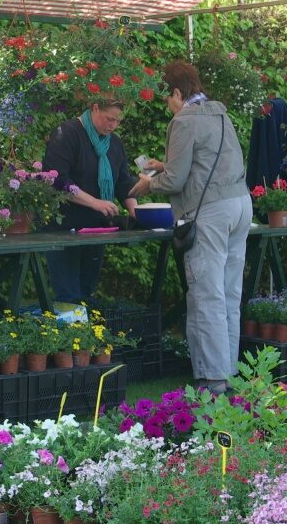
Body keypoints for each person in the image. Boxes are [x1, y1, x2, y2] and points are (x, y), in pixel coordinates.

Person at [129, 62, 250, 394]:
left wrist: (148, 183)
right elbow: (206, 163)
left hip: (209, 212)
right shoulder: (219, 115)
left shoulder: (183, 120)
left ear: (178, 93)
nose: (167, 104)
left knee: (206, 294)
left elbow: (177, 180)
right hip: (240, 207)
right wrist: (163, 165)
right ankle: (228, 374)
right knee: (228, 294)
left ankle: (211, 381)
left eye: (168, 97)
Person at [42, 99, 138, 305]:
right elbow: (57, 180)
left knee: (86, 294)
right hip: (65, 228)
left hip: (97, 230)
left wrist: (136, 211)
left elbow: (123, 183)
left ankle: (84, 336)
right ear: (95, 108)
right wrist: (95, 202)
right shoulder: (66, 133)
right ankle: (69, 335)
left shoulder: (115, 143)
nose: (113, 125)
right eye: (109, 119)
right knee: (68, 296)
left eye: (118, 121)